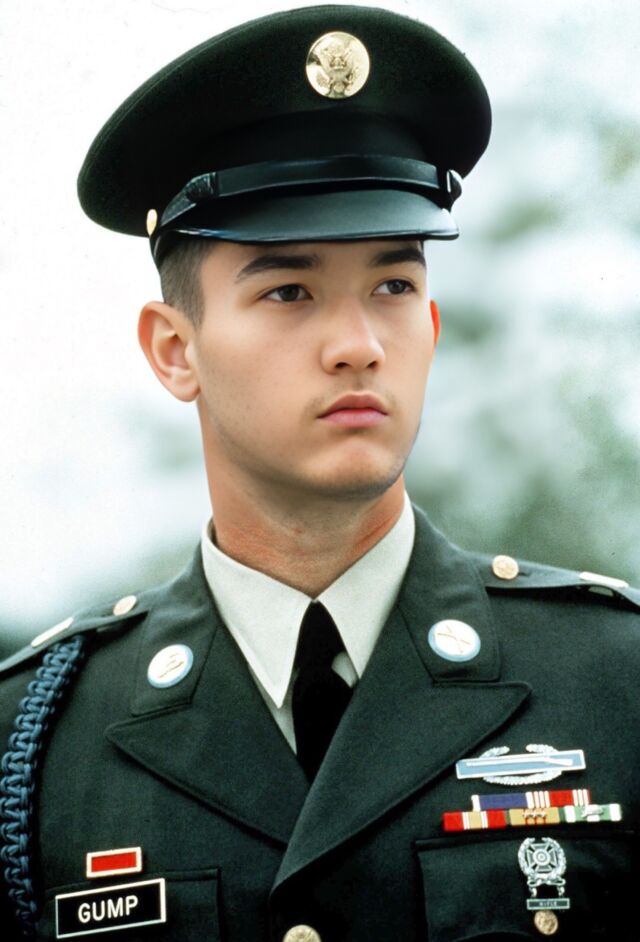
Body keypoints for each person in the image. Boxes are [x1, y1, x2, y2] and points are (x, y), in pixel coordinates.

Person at [1, 5, 638, 941]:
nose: (358, 344)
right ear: (175, 351)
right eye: (289, 291)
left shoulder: (616, 681)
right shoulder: (35, 743)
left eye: (394, 285)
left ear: (430, 326)